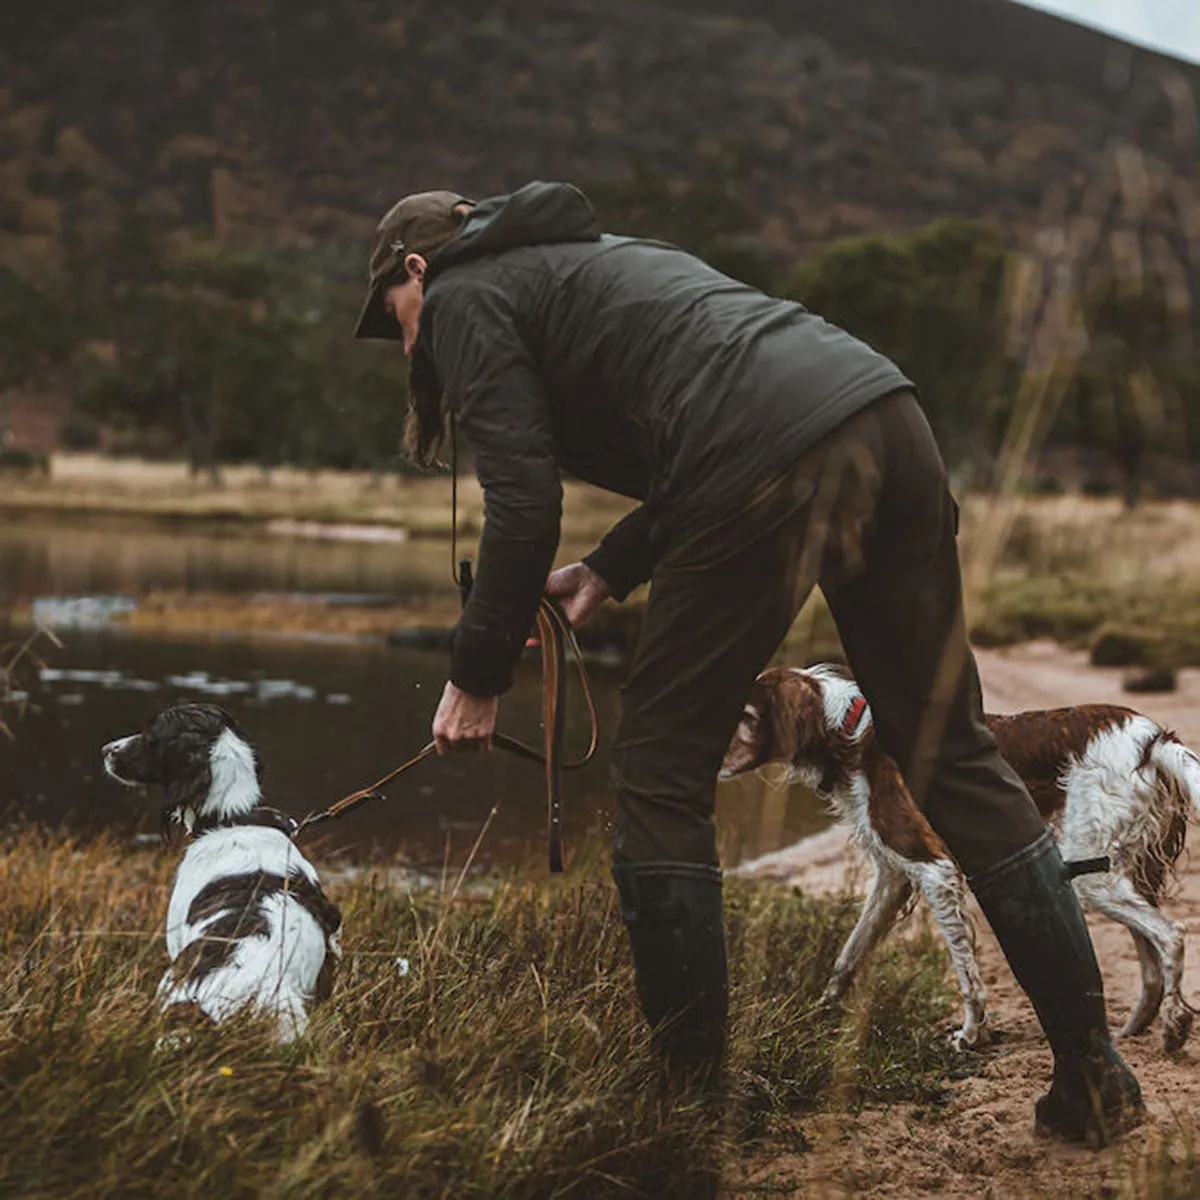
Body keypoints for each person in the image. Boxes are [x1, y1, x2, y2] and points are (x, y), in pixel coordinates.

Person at [355, 180, 1143, 1142]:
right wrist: (609, 569)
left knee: (661, 771)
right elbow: (710, 421)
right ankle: (1093, 1074)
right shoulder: (606, 263)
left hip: (767, 461)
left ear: (418, 268)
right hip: (888, 420)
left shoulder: (467, 299)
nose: (405, 343)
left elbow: (522, 505)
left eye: (392, 317)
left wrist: (476, 677)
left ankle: (689, 1110)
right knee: (953, 751)